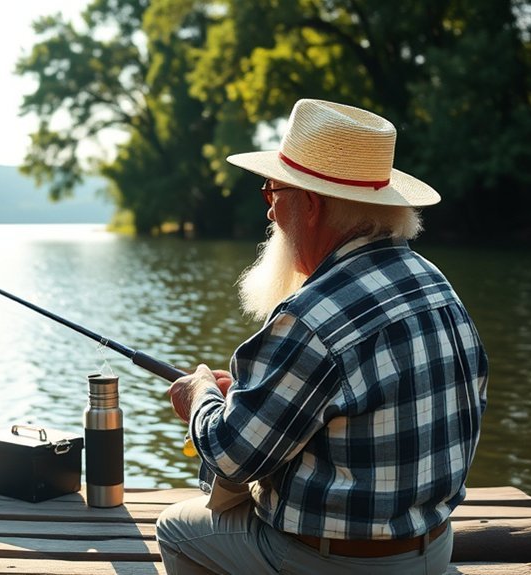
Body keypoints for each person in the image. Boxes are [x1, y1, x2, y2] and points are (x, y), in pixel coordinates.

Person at [157, 99, 488, 575]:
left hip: (341, 564)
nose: (270, 209)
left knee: (176, 528)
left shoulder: (312, 316)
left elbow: (232, 458)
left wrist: (201, 396)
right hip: (434, 551)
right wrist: (253, 399)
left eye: (273, 191)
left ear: (310, 205)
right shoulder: (435, 284)